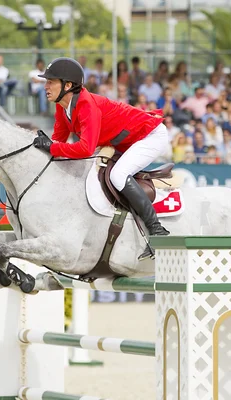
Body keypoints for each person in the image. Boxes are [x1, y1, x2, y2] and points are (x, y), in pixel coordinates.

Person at [32, 57, 170, 260]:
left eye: (51, 81)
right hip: (125, 142)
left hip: (150, 136)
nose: (46, 86)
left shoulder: (87, 105)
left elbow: (86, 149)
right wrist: (46, 148)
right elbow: (57, 142)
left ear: (68, 85)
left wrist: (52, 147)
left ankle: (158, 232)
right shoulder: (62, 106)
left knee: (118, 175)